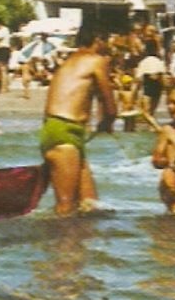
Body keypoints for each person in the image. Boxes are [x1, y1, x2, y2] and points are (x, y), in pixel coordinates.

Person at [38, 31, 118, 216]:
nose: (111, 46)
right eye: (109, 40)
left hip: (56, 129)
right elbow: (110, 105)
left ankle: (79, 244)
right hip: (65, 131)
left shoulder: (69, 61)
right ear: (98, 39)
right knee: (65, 209)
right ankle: (62, 243)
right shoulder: (96, 60)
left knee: (89, 206)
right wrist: (107, 123)